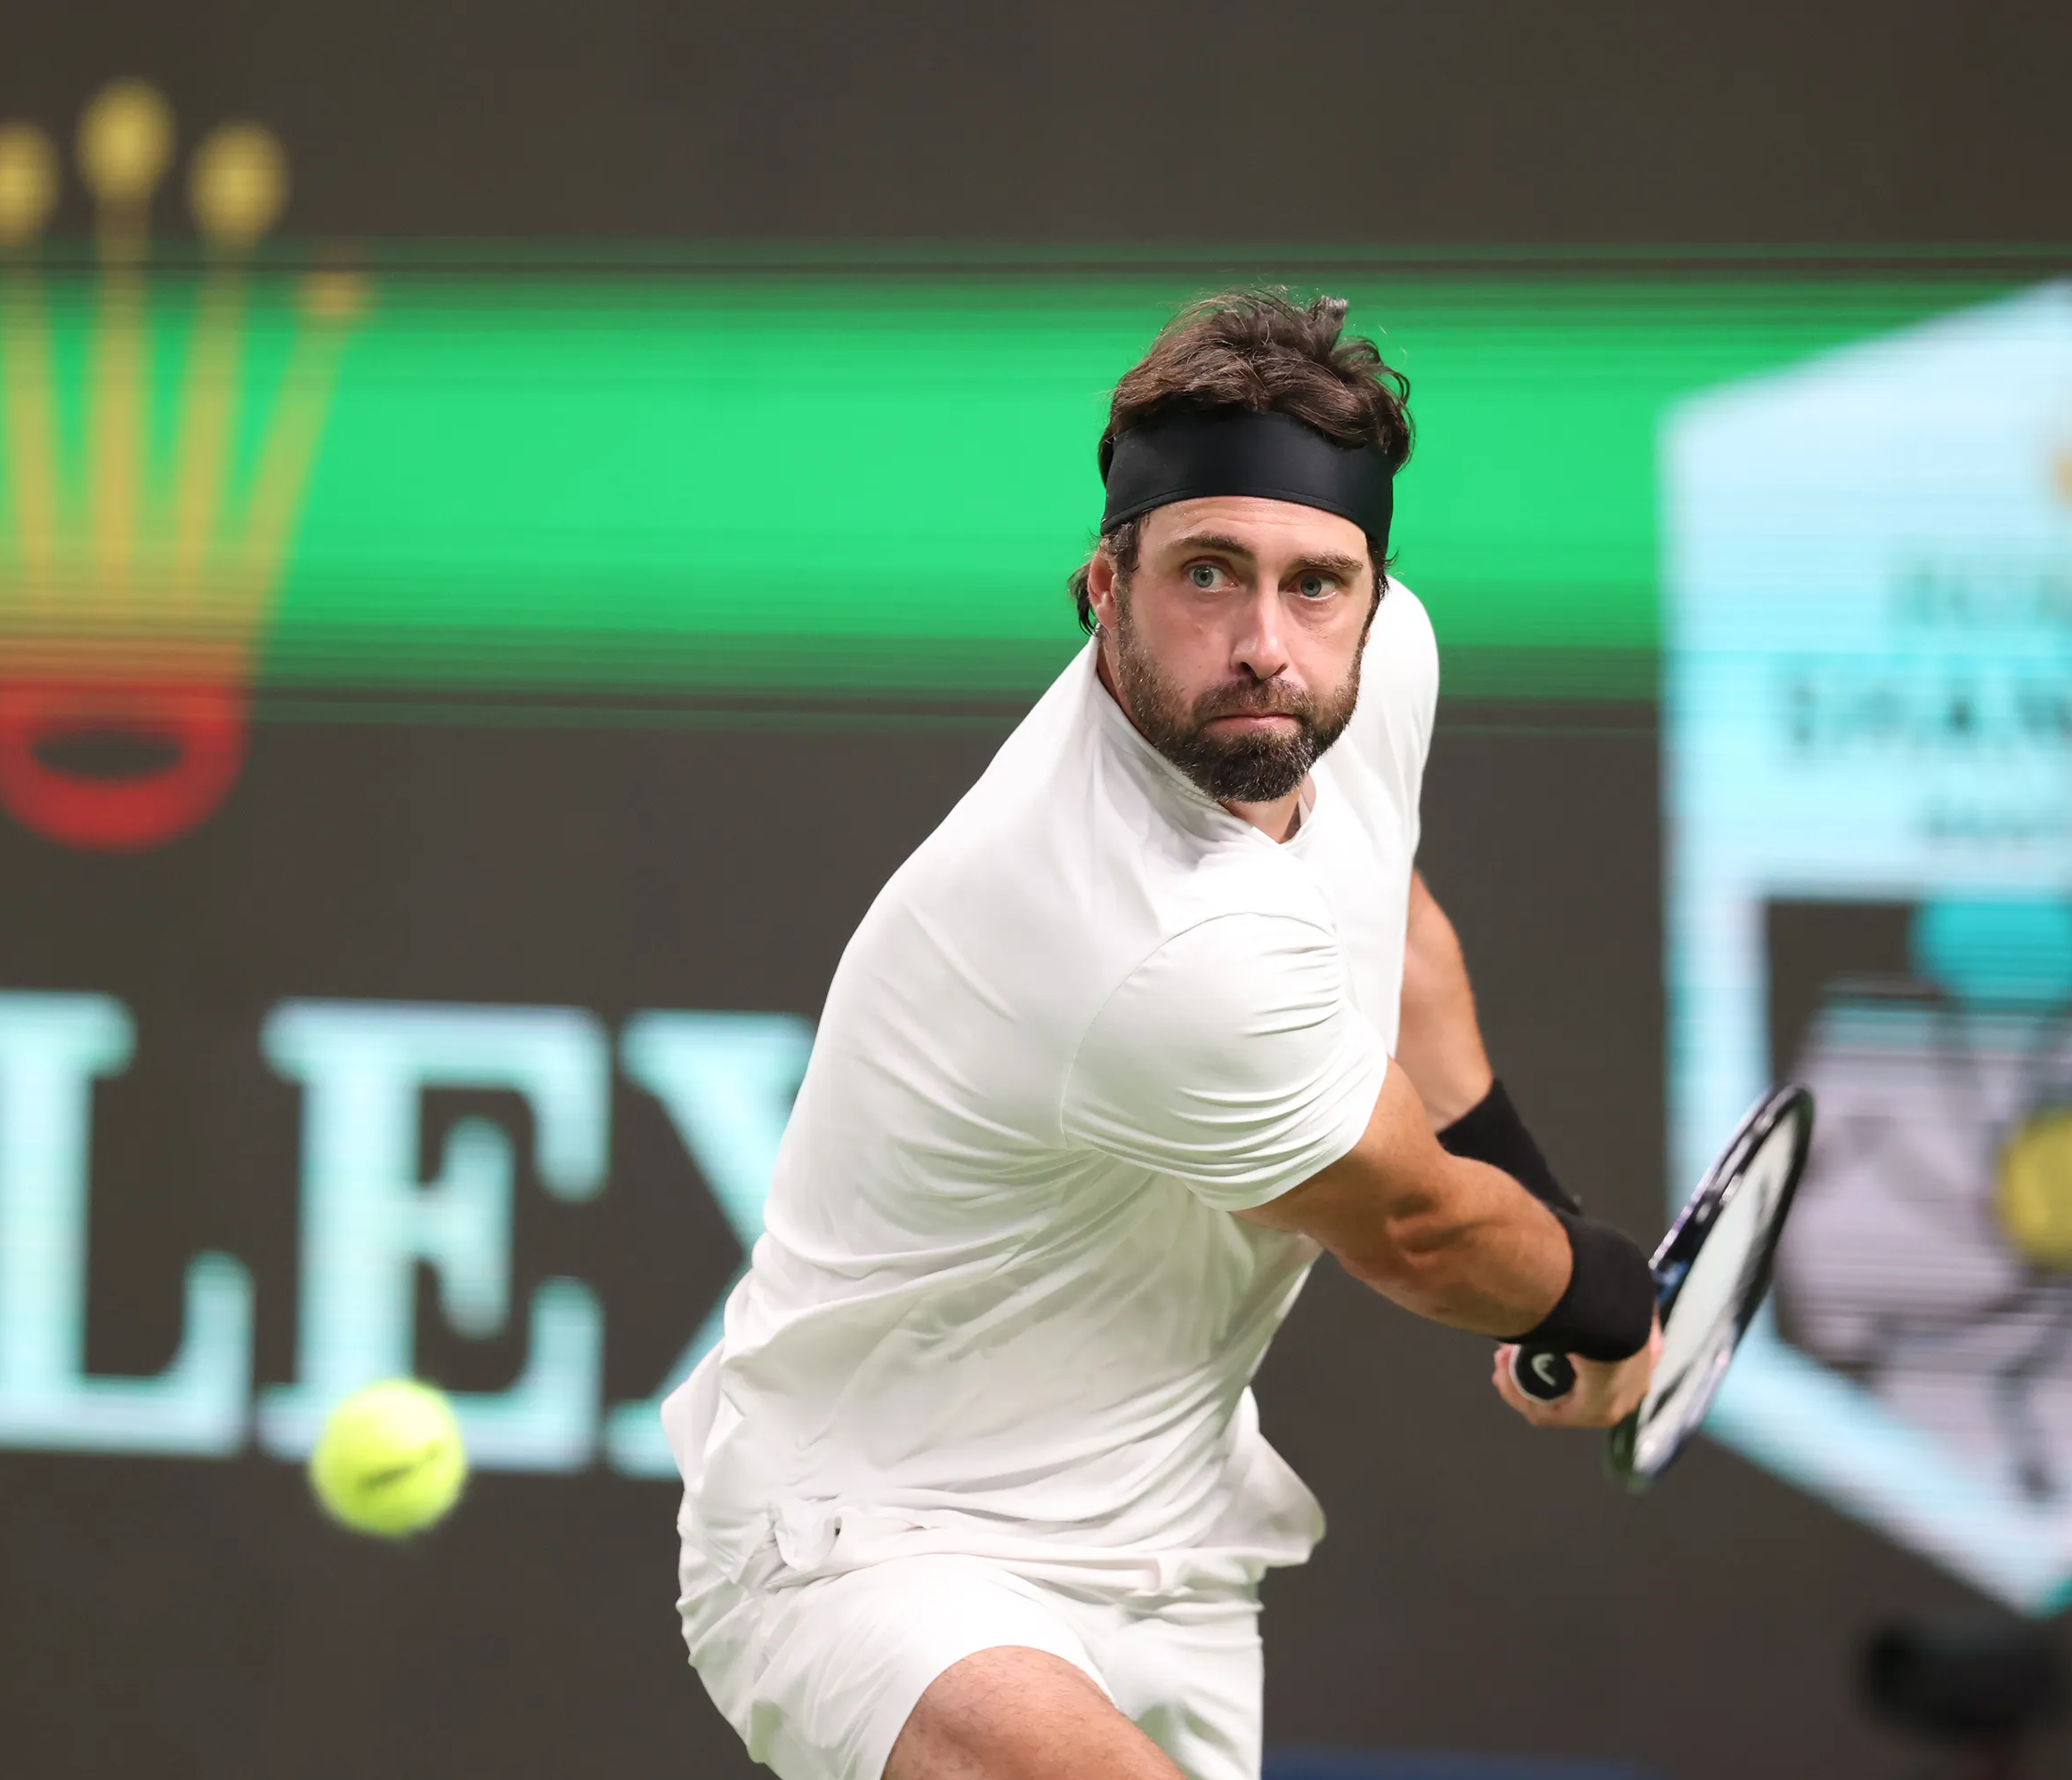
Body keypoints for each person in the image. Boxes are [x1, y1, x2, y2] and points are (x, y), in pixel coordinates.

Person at [662, 289, 1660, 1780]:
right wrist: (1607, 1296)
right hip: (869, 1545)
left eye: (1318, 585)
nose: (1268, 642)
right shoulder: (1149, 933)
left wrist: (1559, 1257)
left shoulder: (1374, 672)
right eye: (1210, 574)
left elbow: (1396, 932)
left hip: (1172, 1538)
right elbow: (1421, 1227)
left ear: (1376, 596)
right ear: (1102, 584)